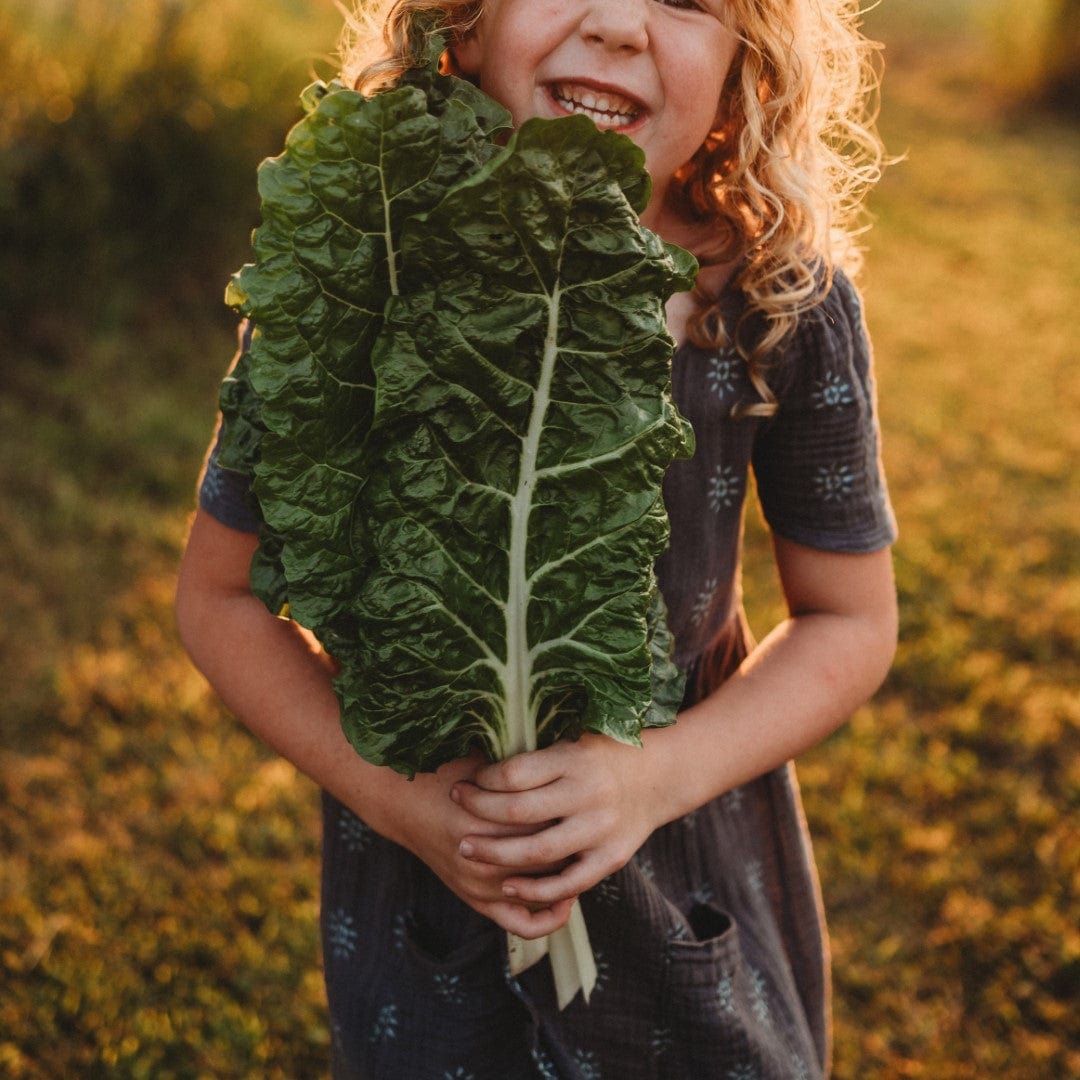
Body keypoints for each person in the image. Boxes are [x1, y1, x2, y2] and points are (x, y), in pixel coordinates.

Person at [175, 0, 899, 1076]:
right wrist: (409, 806)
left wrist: (654, 779)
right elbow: (216, 599)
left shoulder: (773, 298)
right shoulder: (349, 269)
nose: (615, 24)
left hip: (680, 857)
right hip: (428, 879)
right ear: (460, 23)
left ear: (749, 68)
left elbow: (850, 620)